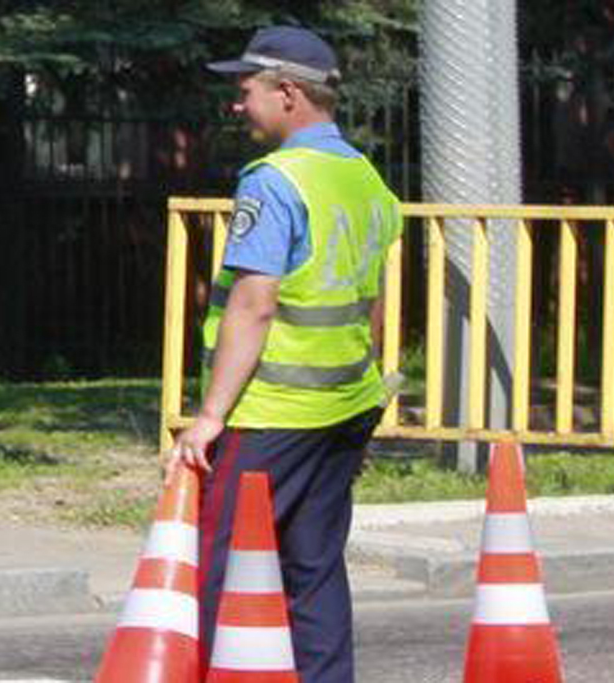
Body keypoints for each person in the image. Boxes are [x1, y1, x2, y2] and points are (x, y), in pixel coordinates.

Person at [165, 25, 402, 682]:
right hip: (346, 406)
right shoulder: (363, 175)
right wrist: (372, 388)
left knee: (214, 560)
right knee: (314, 566)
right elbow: (371, 298)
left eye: (246, 91)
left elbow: (254, 302)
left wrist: (211, 413)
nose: (238, 106)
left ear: (288, 93)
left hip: (273, 410)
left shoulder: (273, 181)